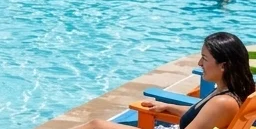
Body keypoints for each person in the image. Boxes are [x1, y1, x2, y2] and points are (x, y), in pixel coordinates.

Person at [71, 32, 254, 129]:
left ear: (223, 66)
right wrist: (168, 107)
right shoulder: (228, 92)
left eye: (204, 59)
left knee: (95, 126)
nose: (199, 63)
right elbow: (202, 117)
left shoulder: (223, 101)